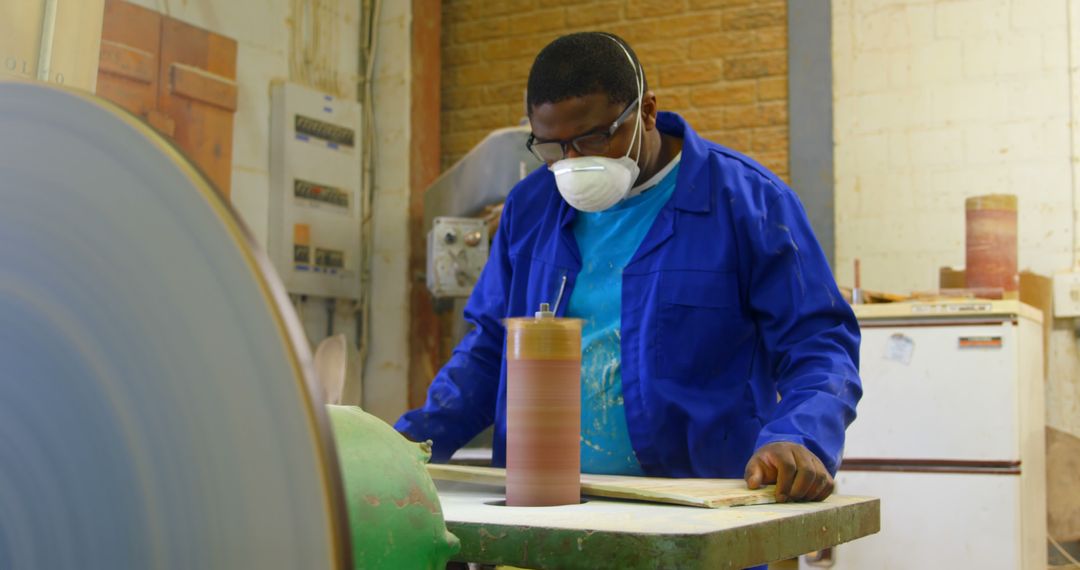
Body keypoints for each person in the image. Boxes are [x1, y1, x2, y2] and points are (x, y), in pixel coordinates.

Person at [397, 32, 861, 504]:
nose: (574, 162)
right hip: (546, 508)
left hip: (697, 514)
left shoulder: (748, 203)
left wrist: (798, 438)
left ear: (646, 112)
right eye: (553, 147)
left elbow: (819, 346)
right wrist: (405, 447)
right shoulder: (530, 207)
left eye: (595, 138)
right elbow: (488, 352)